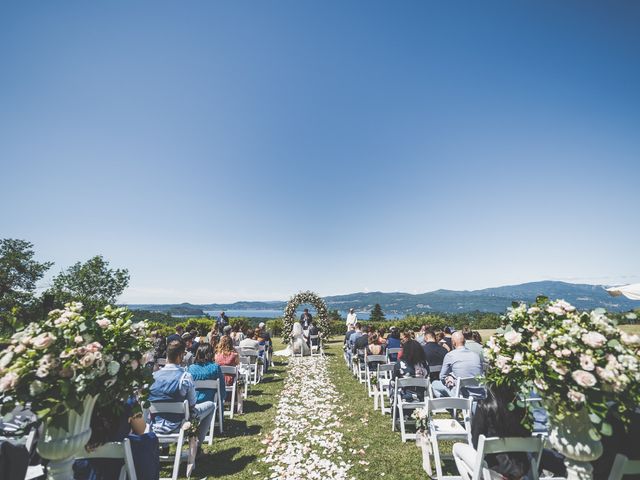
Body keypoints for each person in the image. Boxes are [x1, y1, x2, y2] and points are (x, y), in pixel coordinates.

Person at [453, 383, 533, 480]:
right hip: (521, 469)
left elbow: (475, 443)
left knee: (456, 447)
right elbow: (528, 435)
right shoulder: (522, 407)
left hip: (493, 469)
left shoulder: (484, 405)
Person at [148, 339, 216, 451]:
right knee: (211, 405)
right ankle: (197, 447)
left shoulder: (153, 377)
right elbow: (192, 403)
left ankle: (164, 447)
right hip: (179, 425)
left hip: (155, 426)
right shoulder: (185, 377)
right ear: (180, 356)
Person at [431, 331, 483, 398]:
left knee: (434, 384)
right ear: (464, 341)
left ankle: (449, 405)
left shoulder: (450, 355)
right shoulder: (476, 355)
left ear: (453, 343)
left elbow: (442, 377)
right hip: (479, 393)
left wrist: (449, 380)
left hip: (461, 395)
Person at [215, 336, 243, 413]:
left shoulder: (216, 355)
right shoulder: (234, 354)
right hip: (231, 381)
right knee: (240, 379)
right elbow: (238, 364)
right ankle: (239, 406)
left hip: (220, 381)